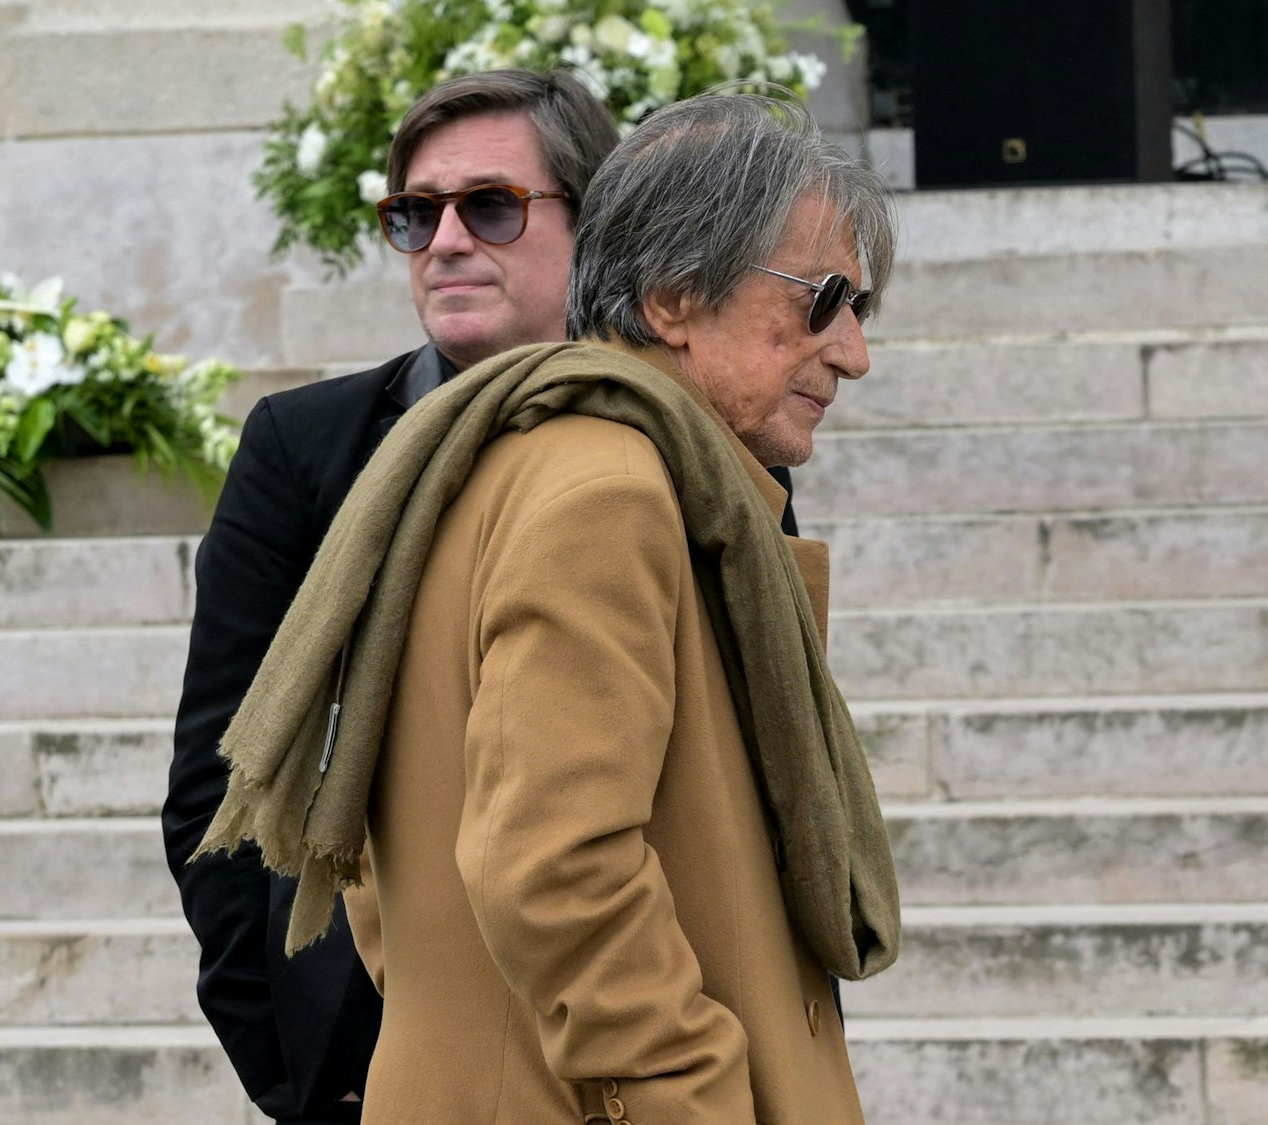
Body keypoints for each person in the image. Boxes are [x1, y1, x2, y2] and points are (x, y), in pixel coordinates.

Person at [194, 91, 902, 1124]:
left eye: (858, 310)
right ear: (670, 296)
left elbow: (385, 872)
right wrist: (683, 1090)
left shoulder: (512, 456)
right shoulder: (607, 491)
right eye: (821, 299)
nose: (850, 350)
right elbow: (551, 861)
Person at [160, 69, 620, 1123]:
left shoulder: (685, 442)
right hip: (381, 1053)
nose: (447, 240)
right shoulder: (303, 449)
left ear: (591, 223)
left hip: (625, 1032)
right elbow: (219, 788)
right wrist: (297, 1073)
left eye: (491, 207)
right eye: (415, 214)